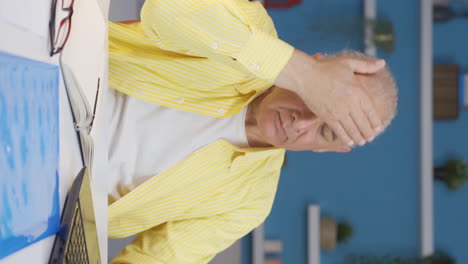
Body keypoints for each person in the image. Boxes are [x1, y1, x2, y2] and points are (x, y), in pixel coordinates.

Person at [107, 0, 397, 263]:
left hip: (67, 195)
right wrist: (303, 74)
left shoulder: (250, 203)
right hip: (68, 74)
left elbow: (156, 259)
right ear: (317, 64)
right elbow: (163, 11)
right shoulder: (254, 26)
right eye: (319, 98)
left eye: (327, 131)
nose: (300, 123)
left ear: (328, 149)